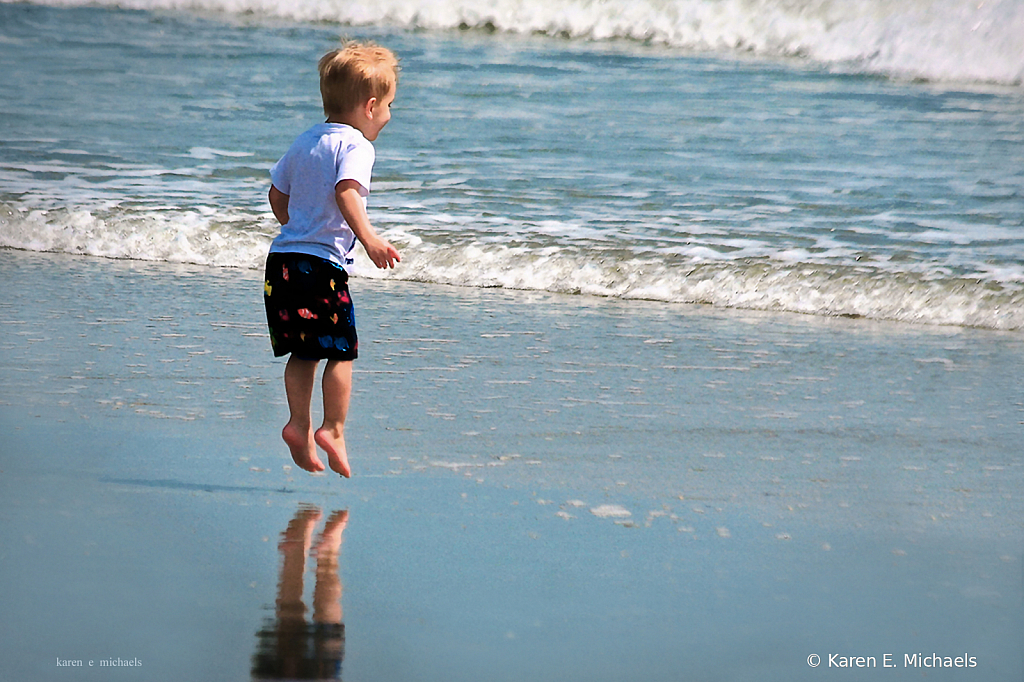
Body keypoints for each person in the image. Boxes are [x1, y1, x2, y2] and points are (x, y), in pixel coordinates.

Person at [264, 42, 400, 477]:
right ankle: (333, 429)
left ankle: (298, 425)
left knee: (303, 353)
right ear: (370, 105)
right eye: (390, 106)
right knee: (341, 351)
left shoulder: (306, 140)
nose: (389, 116)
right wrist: (371, 239)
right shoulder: (357, 146)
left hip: (282, 262)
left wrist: (297, 225)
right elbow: (346, 193)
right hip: (320, 268)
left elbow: (276, 195)